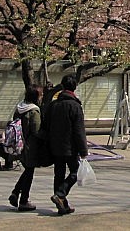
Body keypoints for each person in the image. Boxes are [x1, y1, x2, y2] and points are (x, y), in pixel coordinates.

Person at [42, 74, 88, 215]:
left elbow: (46, 125)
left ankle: (62, 205)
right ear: (74, 87)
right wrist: (83, 149)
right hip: (70, 147)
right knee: (76, 172)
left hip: (55, 146)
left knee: (59, 174)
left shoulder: (53, 105)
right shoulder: (74, 106)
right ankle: (61, 194)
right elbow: (79, 130)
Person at [7, 87, 42, 211]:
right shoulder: (34, 111)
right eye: (40, 95)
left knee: (27, 170)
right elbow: (37, 130)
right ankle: (23, 200)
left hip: (19, 144)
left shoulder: (19, 109)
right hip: (30, 146)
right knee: (29, 171)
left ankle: (16, 193)